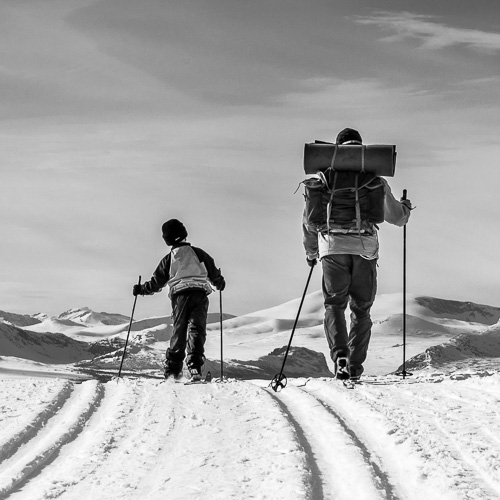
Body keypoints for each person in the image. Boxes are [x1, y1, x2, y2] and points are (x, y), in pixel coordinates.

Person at [302, 128, 412, 381]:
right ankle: (354, 366)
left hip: (331, 249)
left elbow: (309, 222)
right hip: (365, 249)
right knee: (361, 310)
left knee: (334, 305)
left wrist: (311, 252)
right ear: (362, 149)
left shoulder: (322, 180)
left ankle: (339, 355)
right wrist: (405, 209)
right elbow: (396, 218)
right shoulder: (374, 180)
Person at [133, 219, 225, 381]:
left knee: (179, 331)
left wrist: (141, 289)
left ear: (167, 239)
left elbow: (156, 283)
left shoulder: (169, 259)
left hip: (180, 297)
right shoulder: (199, 253)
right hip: (199, 295)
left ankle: (173, 371)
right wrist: (219, 282)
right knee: (197, 330)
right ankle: (194, 366)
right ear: (184, 234)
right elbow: (213, 272)